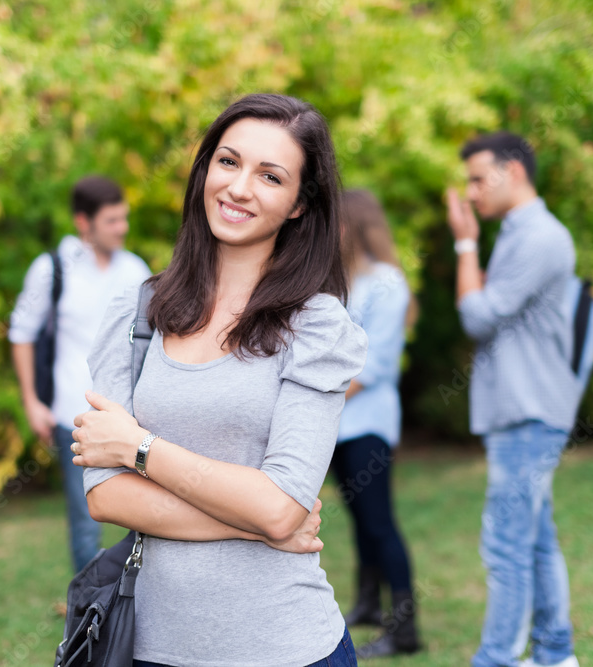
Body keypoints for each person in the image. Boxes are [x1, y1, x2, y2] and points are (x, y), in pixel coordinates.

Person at [70, 93, 368, 667]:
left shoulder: (317, 326)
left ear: (300, 204)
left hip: (287, 647)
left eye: (270, 176)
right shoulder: (137, 315)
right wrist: (257, 525)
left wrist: (139, 447)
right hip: (151, 647)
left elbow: (282, 505)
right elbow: (107, 496)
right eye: (228, 162)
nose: (238, 187)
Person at [446, 132, 581, 667]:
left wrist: (463, 244)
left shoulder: (538, 237)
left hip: (528, 411)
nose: (472, 192)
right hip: (524, 409)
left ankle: (497, 660)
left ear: (515, 172)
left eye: (479, 178)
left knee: (505, 545)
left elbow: (478, 315)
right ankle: (554, 655)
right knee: (535, 540)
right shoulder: (520, 233)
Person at [9, 176, 150, 572]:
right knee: (86, 520)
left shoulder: (134, 269)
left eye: (124, 218)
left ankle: (131, 602)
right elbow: (21, 334)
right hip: (73, 414)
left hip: (133, 416)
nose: (122, 228)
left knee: (144, 515)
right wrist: (32, 402)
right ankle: (89, 617)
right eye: (111, 221)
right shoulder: (52, 269)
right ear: (83, 223)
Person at [332, 189, 422, 658]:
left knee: (379, 522)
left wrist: (316, 401)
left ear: (354, 226)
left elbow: (375, 366)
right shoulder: (339, 283)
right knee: (359, 520)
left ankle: (404, 630)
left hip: (367, 423)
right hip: (338, 425)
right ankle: (367, 604)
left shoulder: (387, 282)